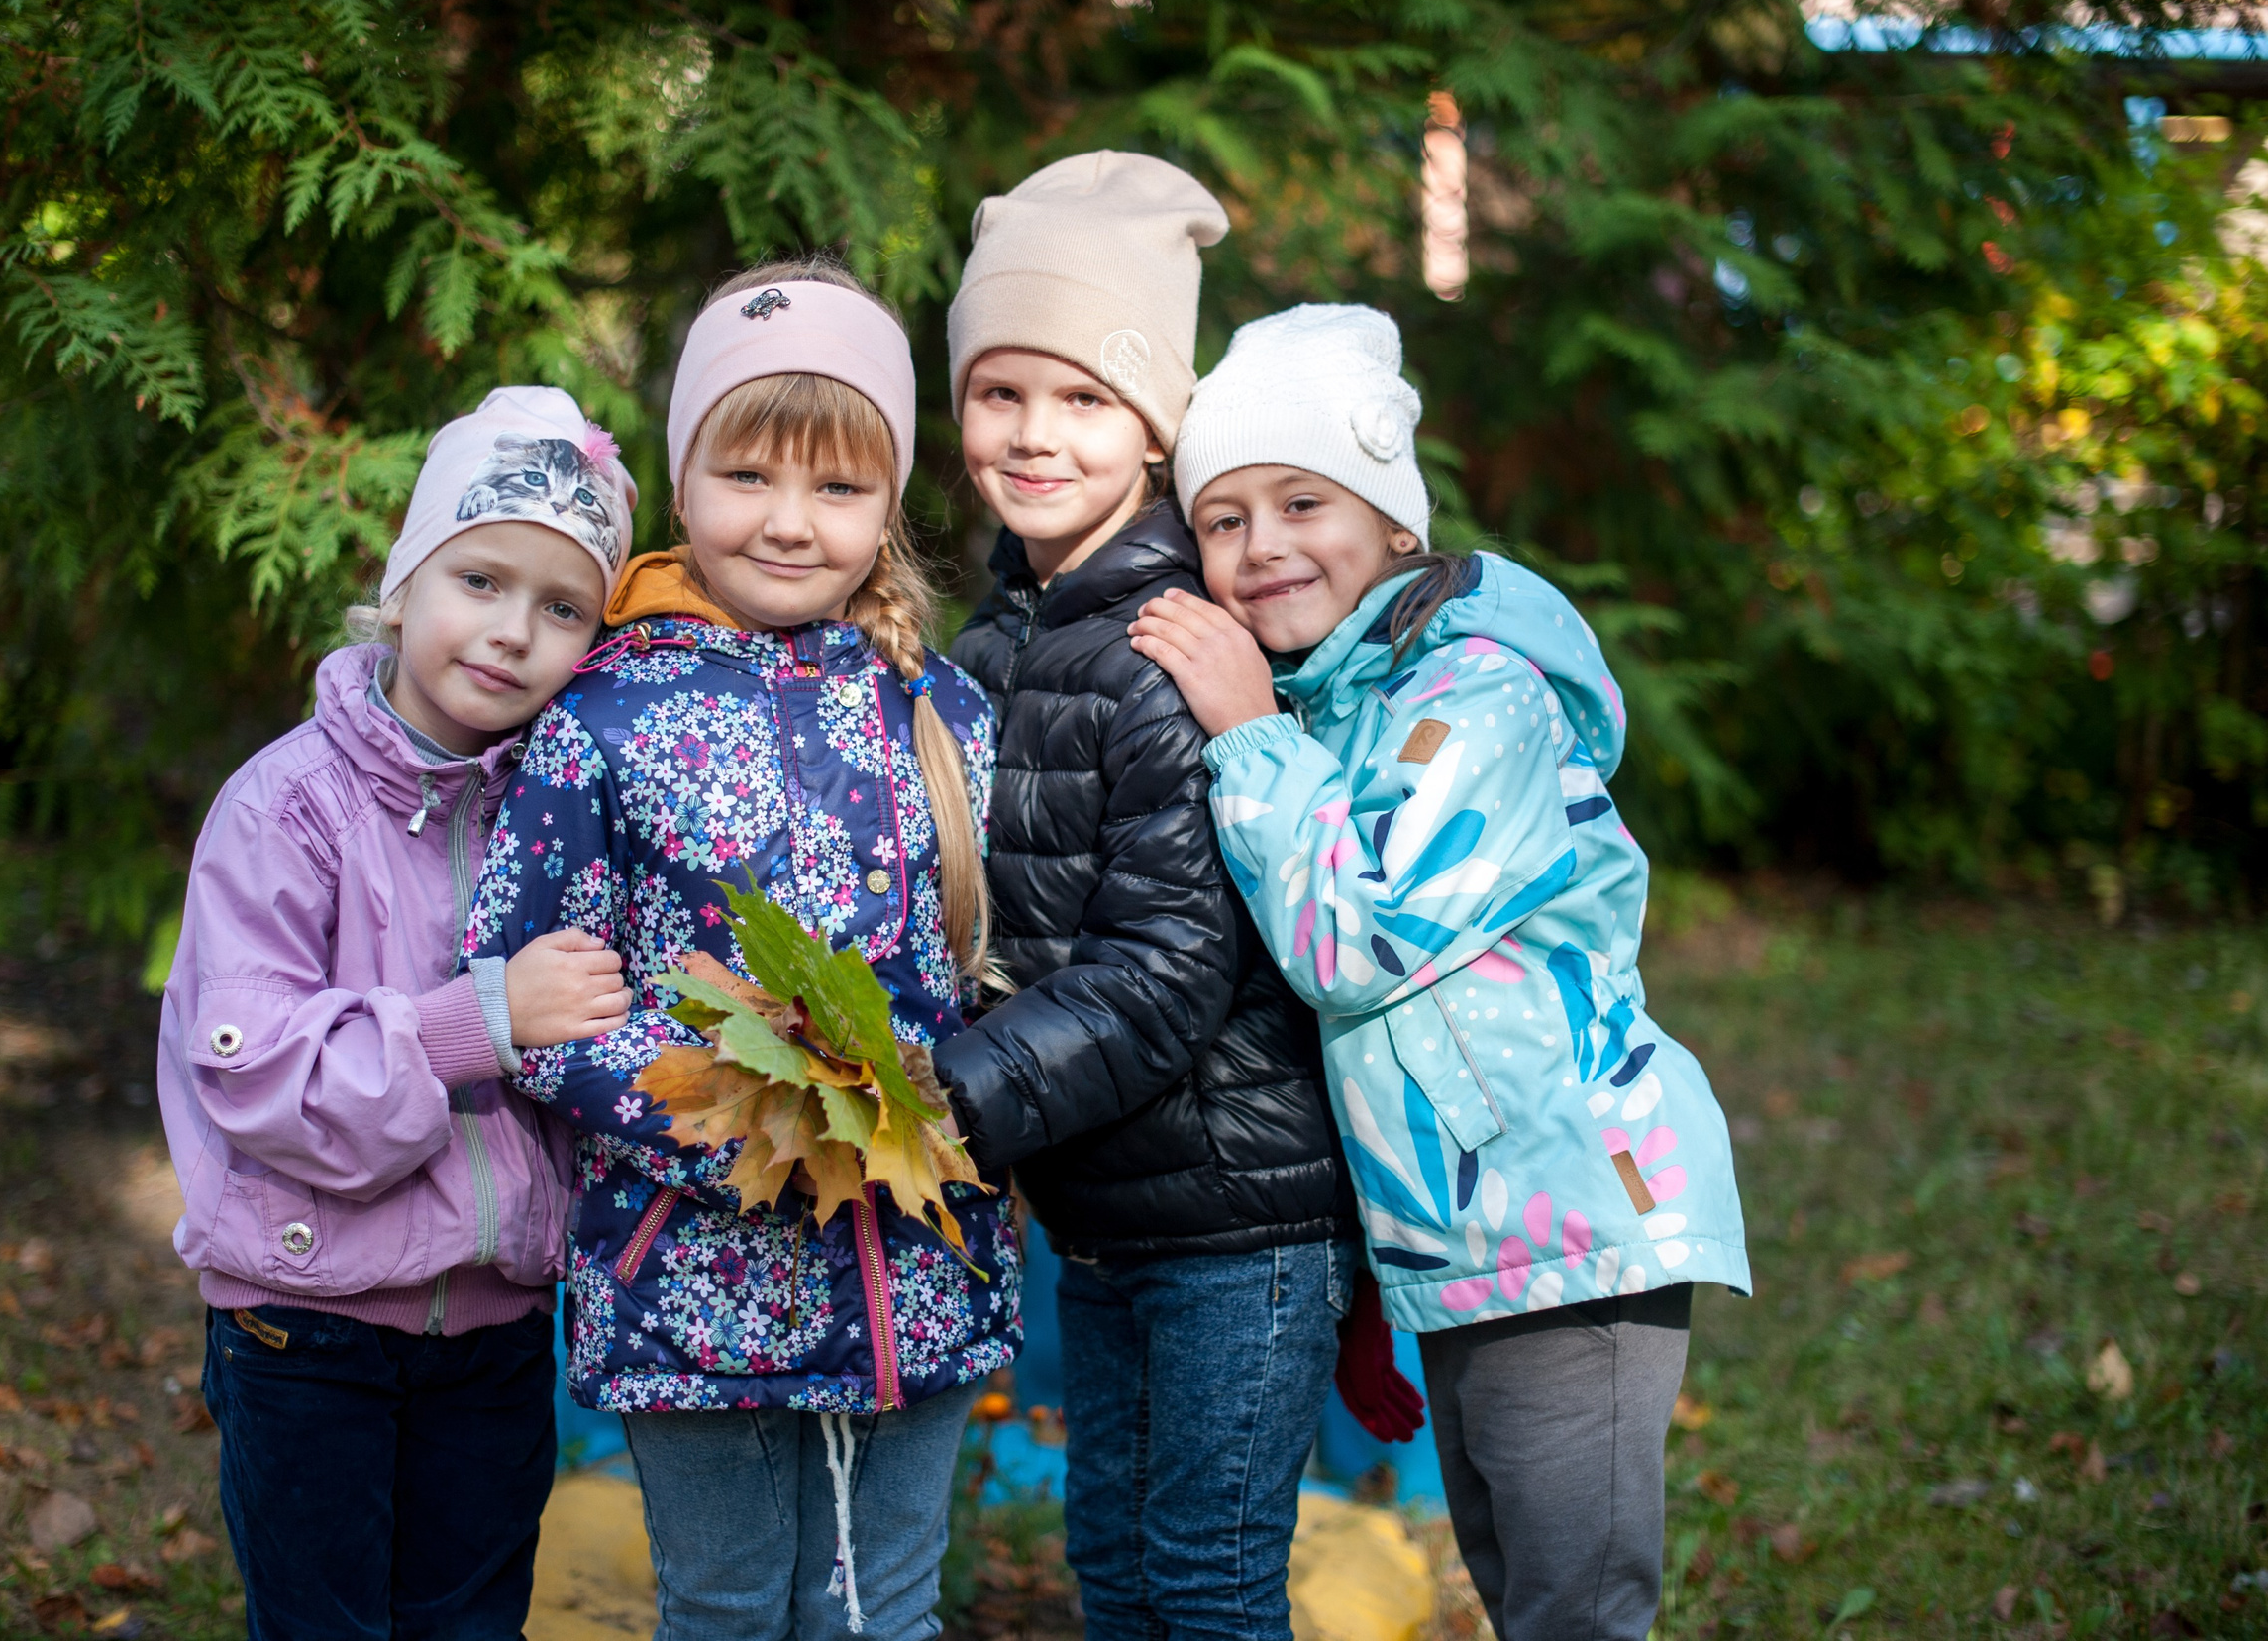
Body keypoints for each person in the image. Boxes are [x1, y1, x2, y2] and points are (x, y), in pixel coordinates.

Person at [1130, 303, 1753, 1641]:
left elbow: (1354, 949)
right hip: (1472, 1242)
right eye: (1223, 519)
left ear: (1395, 524)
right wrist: (1374, 1284)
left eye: (1304, 500)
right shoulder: (1346, 707)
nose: (1262, 546)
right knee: (1523, 1589)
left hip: (1572, 1229)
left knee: (1574, 1612)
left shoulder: (1478, 695)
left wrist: (1244, 733)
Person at [461, 257, 1017, 1641]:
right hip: (693, 1265)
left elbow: (1004, 967)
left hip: (919, 1257)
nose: (788, 523)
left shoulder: (941, 708)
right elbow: (540, 986)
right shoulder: (603, 716)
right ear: (683, 476)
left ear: (890, 499)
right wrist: (743, 1126)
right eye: (748, 477)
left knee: (883, 1608)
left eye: (837, 488)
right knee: (721, 1605)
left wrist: (953, 1109)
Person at [935, 152, 1384, 1641]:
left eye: (1081, 400)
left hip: (1241, 1222)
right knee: (1117, 1576)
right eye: (1000, 393)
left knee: (1203, 1580)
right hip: (1110, 1213)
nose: (1035, 434)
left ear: (1153, 424)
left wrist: (961, 1094)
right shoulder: (992, 649)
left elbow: (1172, 963)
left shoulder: (1174, 643)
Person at [156, 386, 641, 1640]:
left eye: (562, 608)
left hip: (490, 1328)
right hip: (303, 1327)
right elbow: (258, 1075)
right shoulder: (287, 808)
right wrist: (483, 1020)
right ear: (402, 581)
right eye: (479, 580)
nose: (510, 634)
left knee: (470, 1622)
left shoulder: (564, 807)